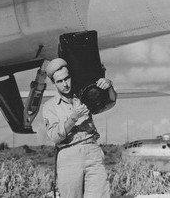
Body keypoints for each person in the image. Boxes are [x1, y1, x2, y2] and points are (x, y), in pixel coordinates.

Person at [43, 57, 117, 198]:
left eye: (67, 78)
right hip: (68, 154)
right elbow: (54, 136)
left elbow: (110, 103)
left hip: (92, 151)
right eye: (59, 81)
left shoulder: (83, 96)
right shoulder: (49, 107)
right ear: (53, 83)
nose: (65, 84)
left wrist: (109, 86)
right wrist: (73, 118)